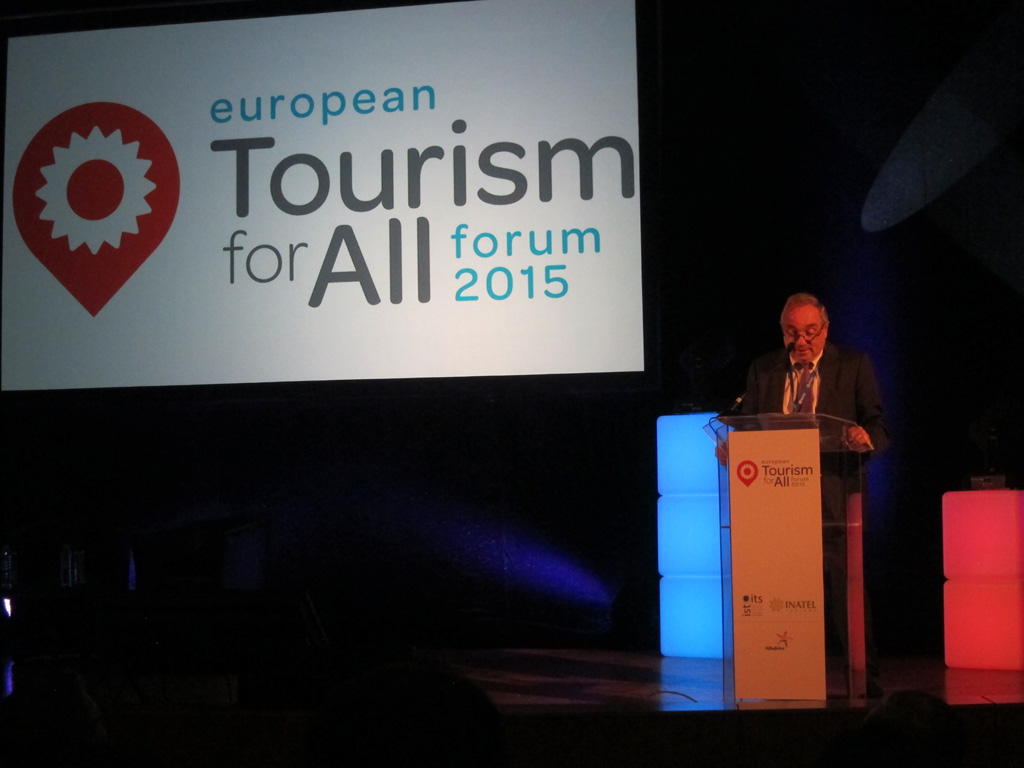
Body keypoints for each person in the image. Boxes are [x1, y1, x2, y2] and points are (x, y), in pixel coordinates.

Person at [738, 292, 890, 696]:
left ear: (825, 330)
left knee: (845, 589)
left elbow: (878, 424)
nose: (801, 341)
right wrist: (732, 446)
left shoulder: (852, 364)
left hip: (836, 499)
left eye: (809, 331)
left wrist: (864, 438)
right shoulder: (765, 368)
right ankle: (784, 671)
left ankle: (862, 674)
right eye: (792, 332)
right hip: (777, 501)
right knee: (782, 592)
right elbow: (746, 423)